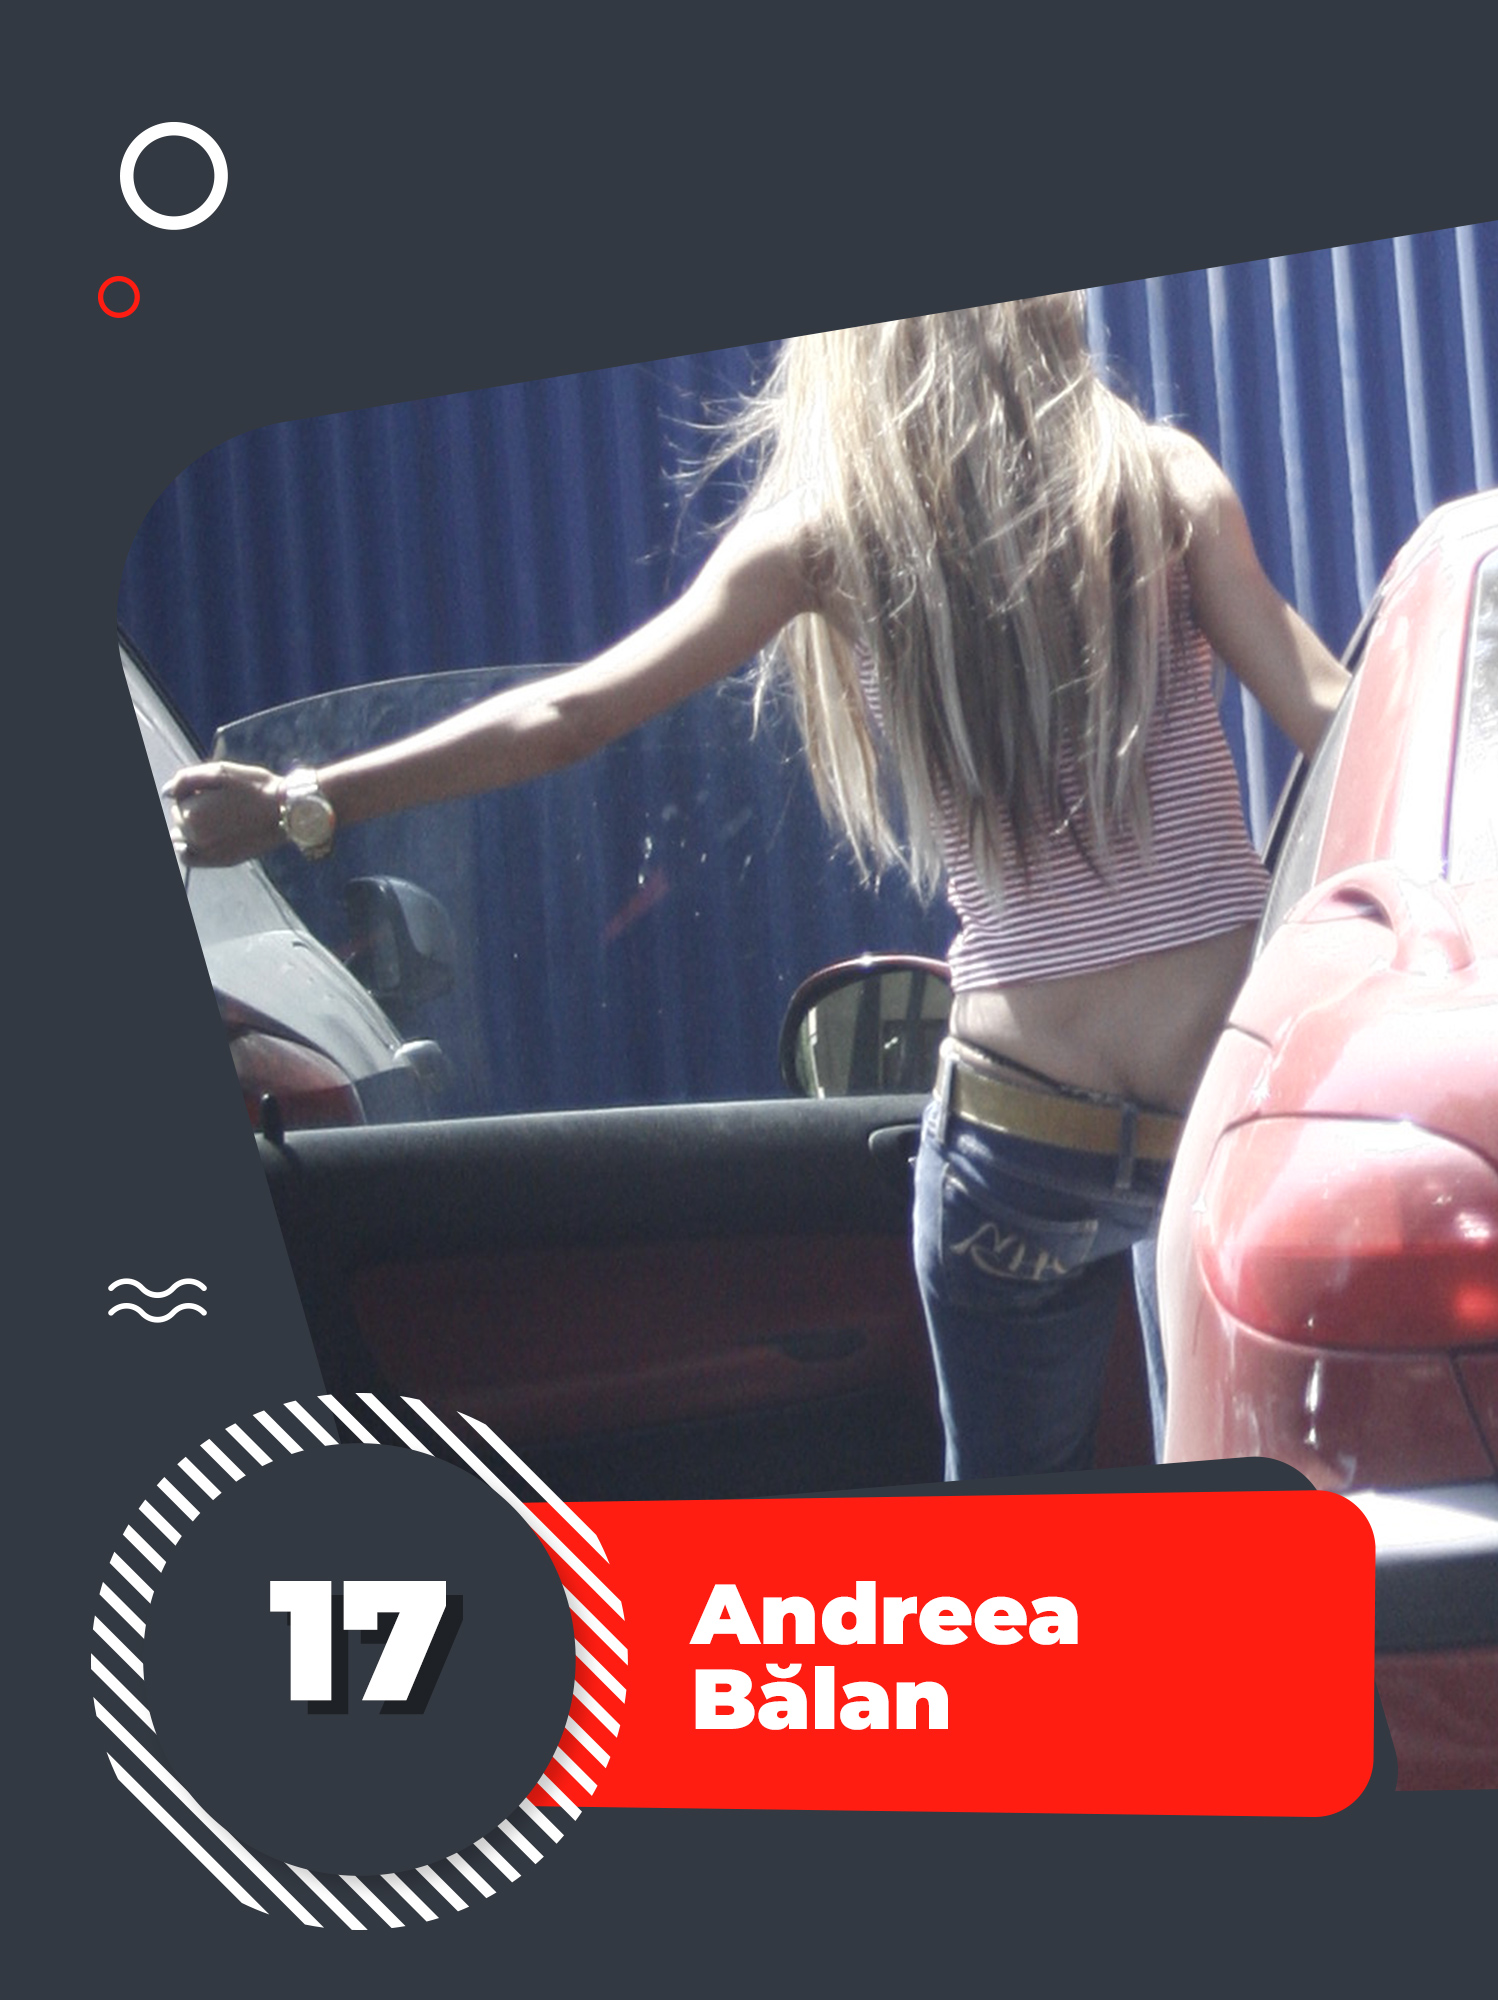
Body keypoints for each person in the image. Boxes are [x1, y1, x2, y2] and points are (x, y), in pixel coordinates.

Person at [168, 296, 1349, 1479]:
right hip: (1218, 1098)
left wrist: (303, 801)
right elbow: (1333, 722)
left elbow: (567, 715)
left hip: (1016, 1136)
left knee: (1018, 1557)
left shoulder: (834, 532)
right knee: (1246, 1493)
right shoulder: (1160, 483)